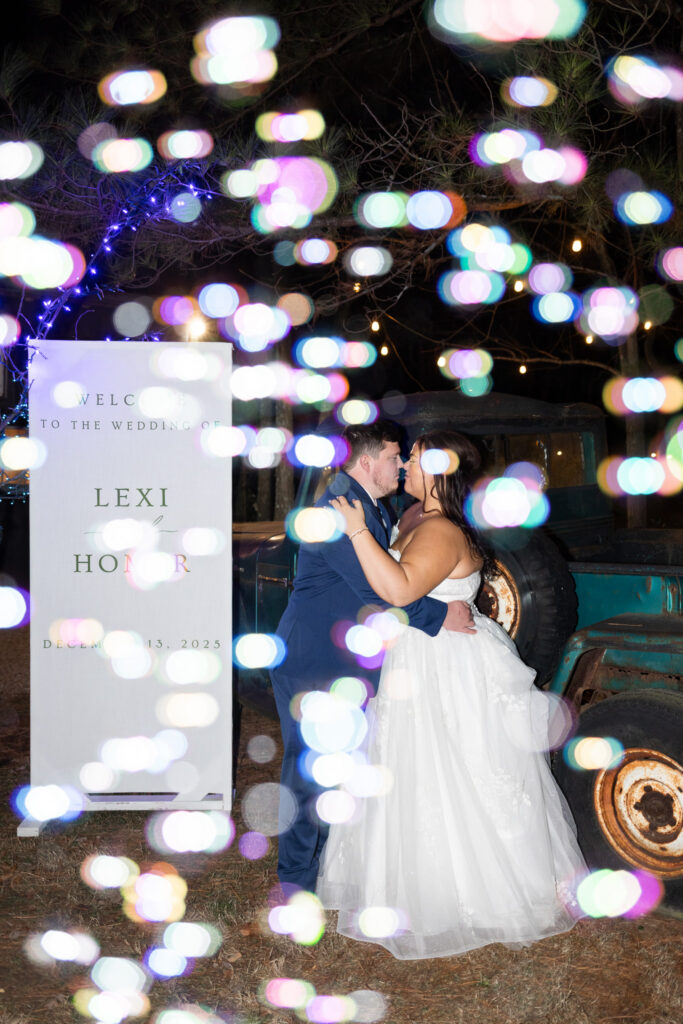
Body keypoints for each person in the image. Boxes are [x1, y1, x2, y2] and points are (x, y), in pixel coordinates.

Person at [316, 429, 587, 959]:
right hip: (422, 657)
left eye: (414, 458)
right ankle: (420, 883)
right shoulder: (414, 517)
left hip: (447, 669)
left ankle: (484, 893)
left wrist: (355, 533)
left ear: (439, 469)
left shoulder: (439, 529)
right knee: (421, 771)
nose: (406, 466)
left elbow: (396, 589)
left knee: (460, 769)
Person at [270, 421, 475, 892]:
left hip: (343, 663)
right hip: (316, 662)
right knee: (309, 777)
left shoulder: (374, 508)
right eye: (394, 456)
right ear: (367, 463)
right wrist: (438, 616)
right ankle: (295, 884)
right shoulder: (338, 510)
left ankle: (323, 868)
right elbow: (378, 590)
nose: (401, 464)